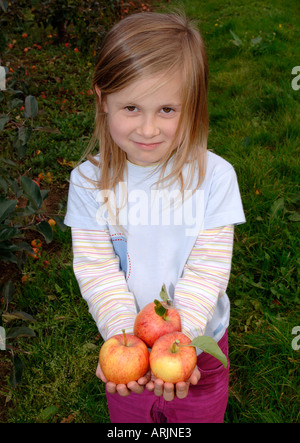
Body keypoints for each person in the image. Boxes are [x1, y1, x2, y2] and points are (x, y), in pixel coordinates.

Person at [64, 11, 246, 423]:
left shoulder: (215, 178)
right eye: (131, 107)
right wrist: (124, 339)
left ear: (193, 107)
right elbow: (97, 270)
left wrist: (181, 342)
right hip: (125, 350)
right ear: (102, 100)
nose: (148, 129)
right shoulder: (89, 182)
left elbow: (207, 270)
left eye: (167, 109)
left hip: (200, 348)